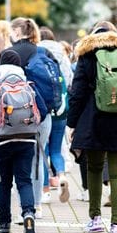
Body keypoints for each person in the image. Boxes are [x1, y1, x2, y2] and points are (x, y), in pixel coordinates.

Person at [67, 21, 117, 233]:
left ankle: (95, 220)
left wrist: (72, 123)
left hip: (94, 121)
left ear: (93, 36)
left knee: (94, 169)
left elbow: (78, 93)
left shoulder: (87, 56)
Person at [0, 49, 48, 233]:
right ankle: (28, 216)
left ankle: (4, 224)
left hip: (2, 141)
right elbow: (42, 111)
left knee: (4, 182)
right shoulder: (29, 85)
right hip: (27, 139)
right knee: (24, 181)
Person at [9, 17, 53, 217]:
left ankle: (24, 207)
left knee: (18, 160)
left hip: (16, 116)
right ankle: (37, 205)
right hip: (43, 114)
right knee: (37, 158)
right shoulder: (44, 52)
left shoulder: (11, 54)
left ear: (17, 32)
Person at [38, 27, 73, 202]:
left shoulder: (36, 54)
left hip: (44, 109)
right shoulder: (62, 52)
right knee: (56, 150)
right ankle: (61, 176)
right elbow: (70, 79)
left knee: (43, 150)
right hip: (60, 108)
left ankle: (45, 191)